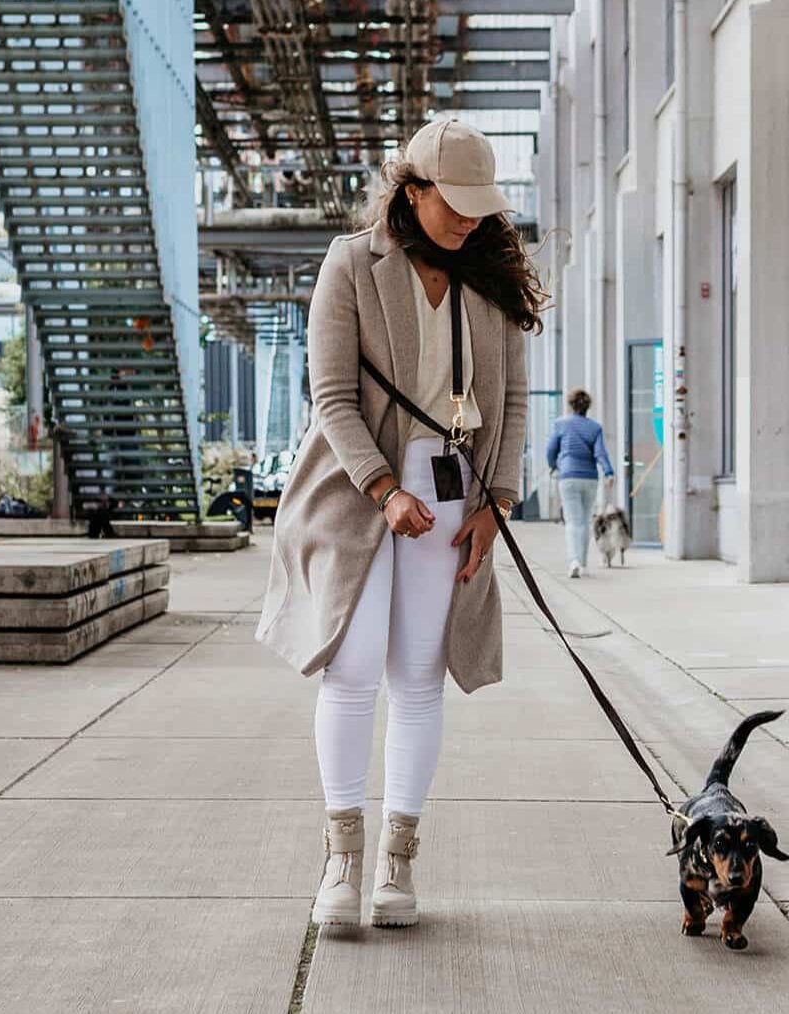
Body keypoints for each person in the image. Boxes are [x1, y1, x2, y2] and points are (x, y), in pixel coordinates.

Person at [256, 118, 546, 929]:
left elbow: (511, 404)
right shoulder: (352, 263)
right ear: (410, 190)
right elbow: (331, 398)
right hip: (355, 489)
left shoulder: (486, 282)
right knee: (350, 670)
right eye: (452, 202)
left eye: (478, 206)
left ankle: (396, 863)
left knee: (419, 677)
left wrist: (498, 501)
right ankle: (340, 864)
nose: (467, 219)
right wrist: (384, 487)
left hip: (454, 492)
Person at [546, 388, 614, 577]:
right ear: (587, 407)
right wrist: (609, 472)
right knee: (584, 521)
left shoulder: (560, 424)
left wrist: (553, 465)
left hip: (568, 476)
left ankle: (574, 561)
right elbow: (600, 452)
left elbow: (551, 449)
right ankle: (583, 563)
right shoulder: (595, 427)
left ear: (571, 405)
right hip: (589, 478)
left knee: (573, 522)